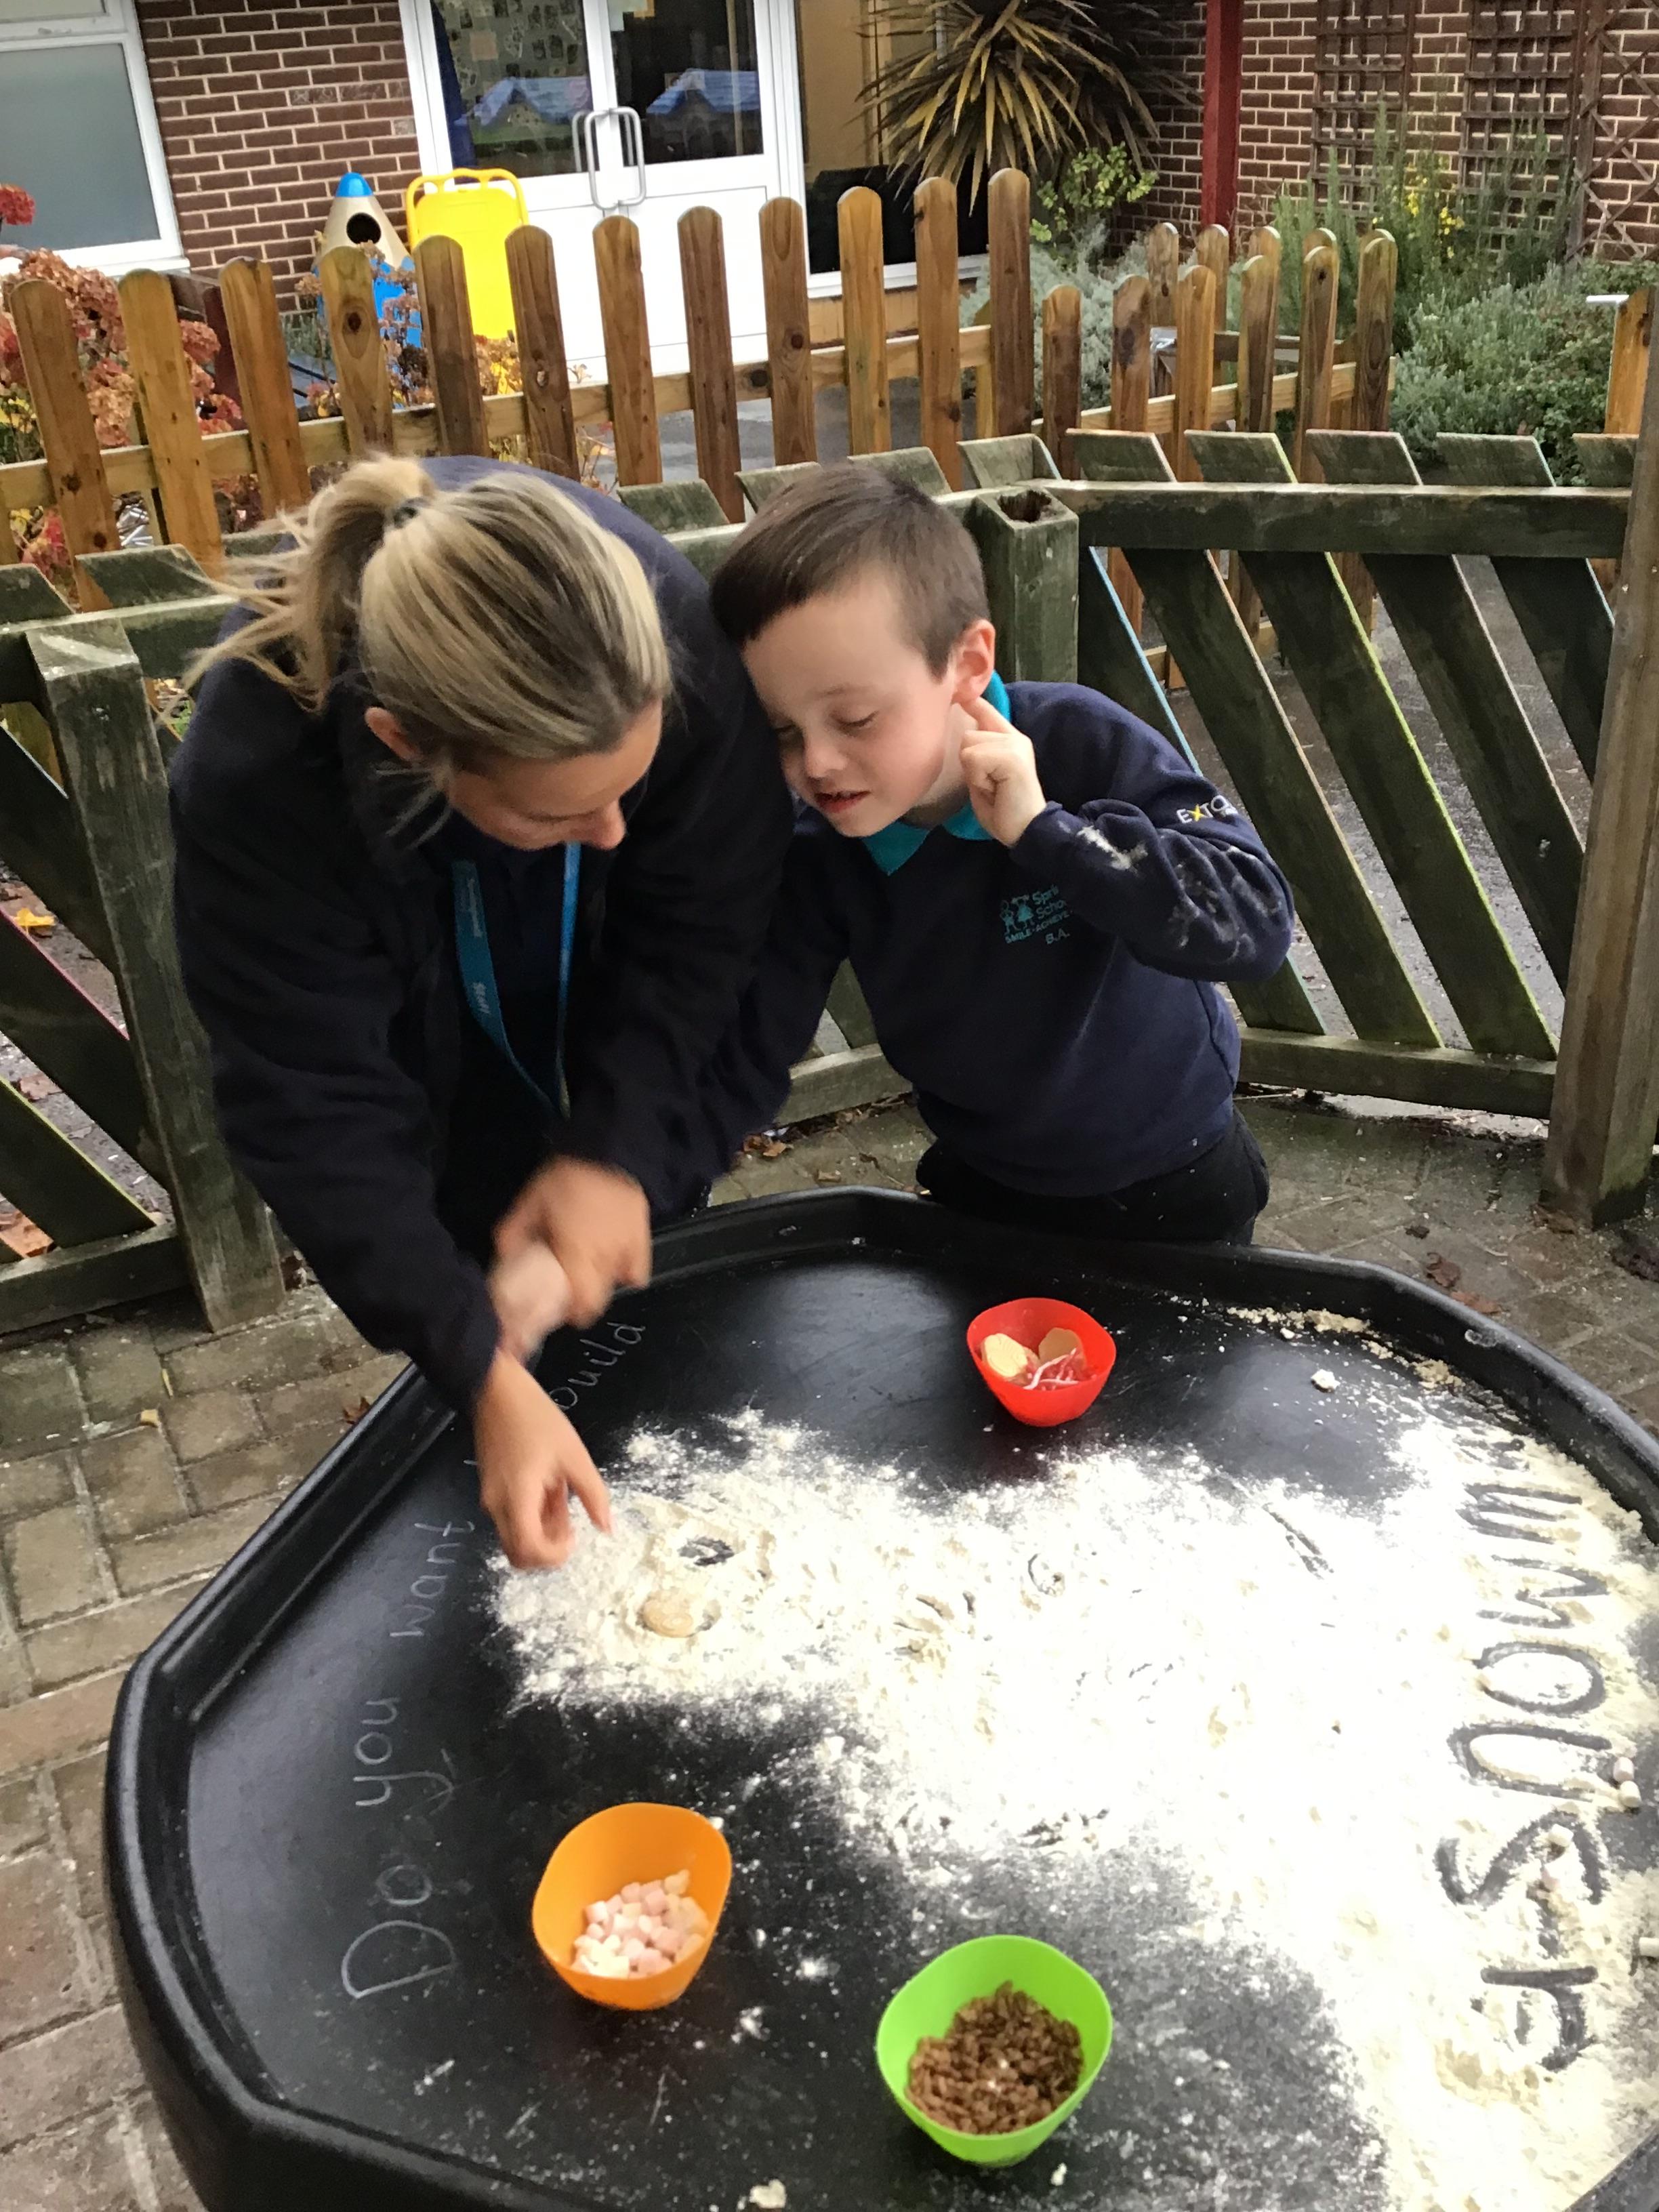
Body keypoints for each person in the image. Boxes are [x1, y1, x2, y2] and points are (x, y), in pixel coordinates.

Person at [173, 454, 791, 1568]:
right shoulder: (259, 777)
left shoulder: (666, 634)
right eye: (563, 811)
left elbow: (702, 927)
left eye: (631, 786)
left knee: (618, 1260)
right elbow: (314, 1105)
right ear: (404, 743)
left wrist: (617, 1146)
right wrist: (475, 1364)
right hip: (429, 1013)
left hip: (583, 976)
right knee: (476, 1285)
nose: (614, 830)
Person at [682, 464, 1296, 1245]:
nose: (818, 763)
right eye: (779, 731)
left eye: (856, 718)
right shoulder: (820, 850)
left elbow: (1255, 923)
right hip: (989, 1185)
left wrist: (1049, 834)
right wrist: (640, 1183)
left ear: (967, 665)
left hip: (1177, 1173)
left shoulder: (1082, 742)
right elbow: (754, 1042)